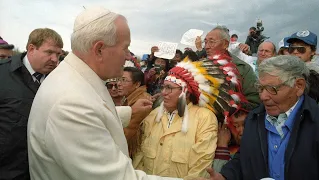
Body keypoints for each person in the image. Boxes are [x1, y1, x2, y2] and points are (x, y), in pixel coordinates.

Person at [27, 7, 201, 180]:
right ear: (99, 49)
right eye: (125, 48)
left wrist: (131, 112)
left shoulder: (72, 78)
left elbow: (95, 113)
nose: (128, 57)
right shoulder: (71, 104)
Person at [211, 55, 319, 180]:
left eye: (272, 89)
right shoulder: (254, 118)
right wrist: (225, 176)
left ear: (298, 86)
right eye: (261, 88)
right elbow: (244, 158)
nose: (263, 97)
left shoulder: (316, 123)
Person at [134, 60, 219, 179]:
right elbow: (139, 157)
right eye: (163, 87)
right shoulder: (153, 115)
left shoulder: (204, 118)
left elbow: (201, 163)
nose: (163, 93)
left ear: (186, 93)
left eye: (169, 88)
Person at [0, 28, 63, 180]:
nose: (55, 59)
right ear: (31, 49)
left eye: (58, 54)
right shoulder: (2, 75)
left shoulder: (61, 80)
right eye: (49, 52)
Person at [203, 26, 260, 106]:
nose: (206, 47)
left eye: (211, 42)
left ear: (225, 44)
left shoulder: (242, 69)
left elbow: (254, 101)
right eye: (205, 42)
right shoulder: (200, 67)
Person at [118, 67, 152, 157]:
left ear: (137, 84)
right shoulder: (129, 98)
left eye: (124, 80)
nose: (119, 84)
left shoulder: (143, 101)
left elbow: (131, 130)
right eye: (119, 79)